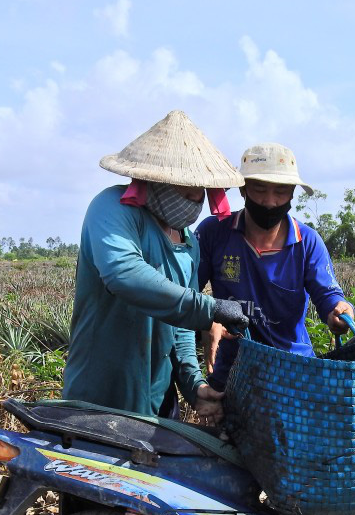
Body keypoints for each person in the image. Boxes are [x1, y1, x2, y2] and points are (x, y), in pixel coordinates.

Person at [61, 110, 251, 422]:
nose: (195, 197)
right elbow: (124, 274)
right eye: (184, 186)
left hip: (157, 403)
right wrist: (209, 309)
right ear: (155, 180)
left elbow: (179, 326)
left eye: (200, 189)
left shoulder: (190, 242)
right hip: (99, 398)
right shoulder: (113, 209)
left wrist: (194, 384)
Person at [195, 142, 354, 390]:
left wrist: (339, 311)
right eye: (259, 190)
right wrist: (208, 319)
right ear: (243, 190)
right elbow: (186, 294)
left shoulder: (307, 242)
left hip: (293, 371)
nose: (269, 202)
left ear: (292, 193)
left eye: (281, 192)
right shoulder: (214, 232)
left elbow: (328, 296)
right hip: (231, 371)